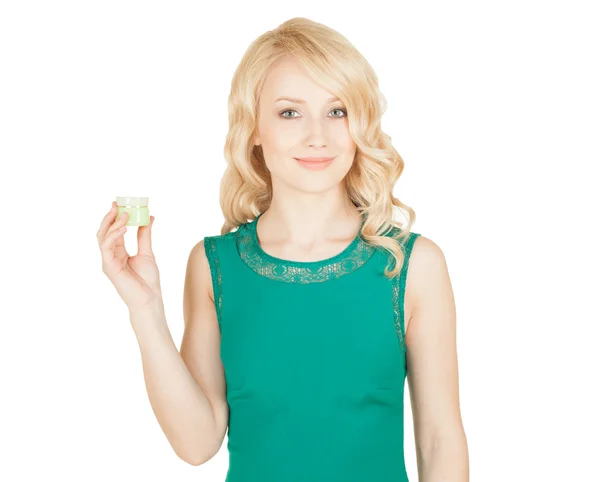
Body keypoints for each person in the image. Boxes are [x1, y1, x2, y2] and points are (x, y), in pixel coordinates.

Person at [97, 17, 468, 482]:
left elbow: (439, 438)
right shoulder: (215, 265)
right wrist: (146, 310)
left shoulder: (412, 265)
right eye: (289, 112)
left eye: (337, 111)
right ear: (254, 129)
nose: (318, 135)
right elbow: (196, 444)